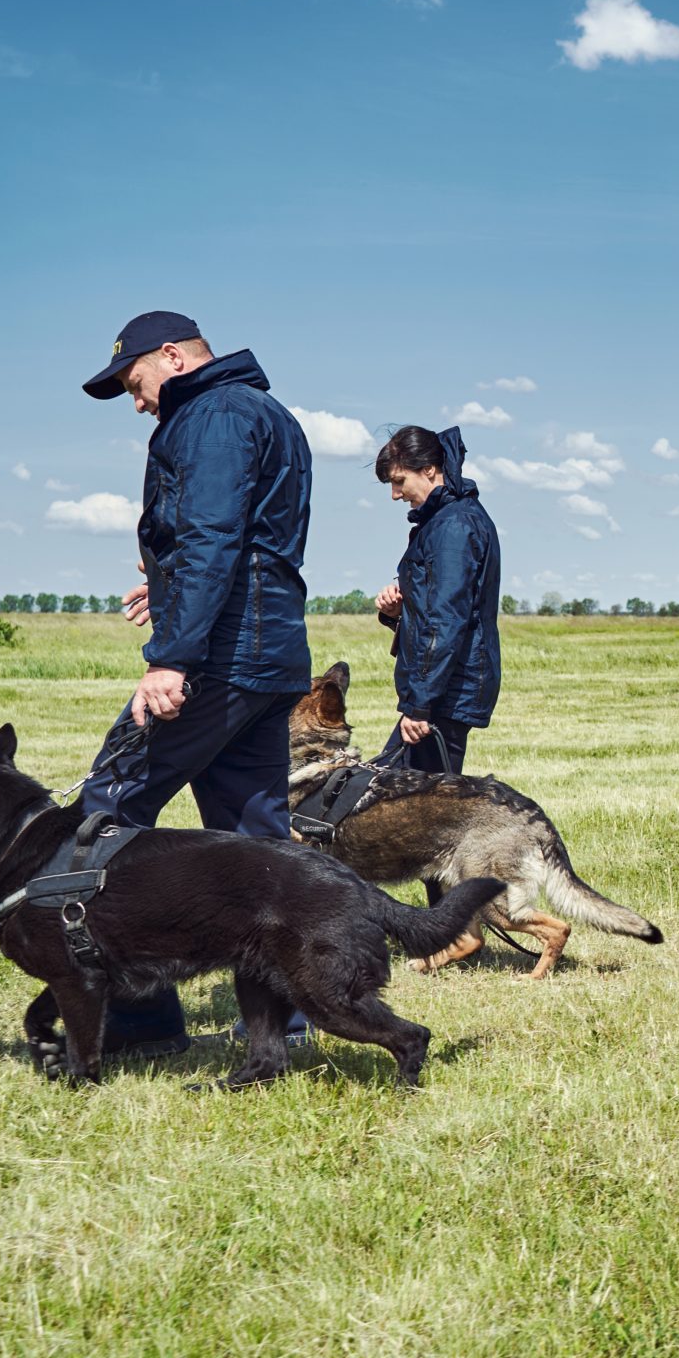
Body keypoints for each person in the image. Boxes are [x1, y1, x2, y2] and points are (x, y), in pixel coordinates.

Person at [72, 311, 314, 1058]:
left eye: (135, 383)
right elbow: (246, 543)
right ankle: (282, 1025)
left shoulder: (210, 415)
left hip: (217, 660)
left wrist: (172, 652)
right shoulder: (266, 413)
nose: (137, 402)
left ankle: (138, 1022)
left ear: (172, 356)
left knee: (100, 816)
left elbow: (213, 535)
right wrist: (170, 586)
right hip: (268, 658)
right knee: (256, 844)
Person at [370, 425, 501, 774]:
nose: (396, 494)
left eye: (399, 481)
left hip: (444, 694)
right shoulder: (444, 522)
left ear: (428, 469)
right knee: (402, 801)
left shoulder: (454, 527)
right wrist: (398, 612)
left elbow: (446, 620)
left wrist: (420, 706)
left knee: (408, 808)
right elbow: (436, 609)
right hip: (441, 691)